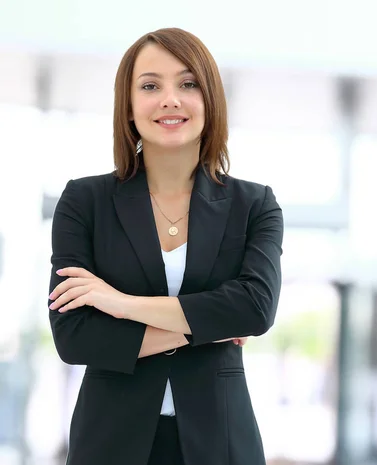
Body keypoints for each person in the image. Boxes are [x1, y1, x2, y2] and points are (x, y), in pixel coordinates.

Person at [47, 27, 283, 465]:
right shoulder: (85, 202)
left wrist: (120, 303)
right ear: (129, 105)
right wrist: (209, 322)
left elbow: (255, 309)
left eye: (188, 83)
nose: (170, 99)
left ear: (210, 100)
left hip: (221, 443)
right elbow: (75, 337)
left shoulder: (254, 205)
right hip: (109, 443)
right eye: (151, 85)